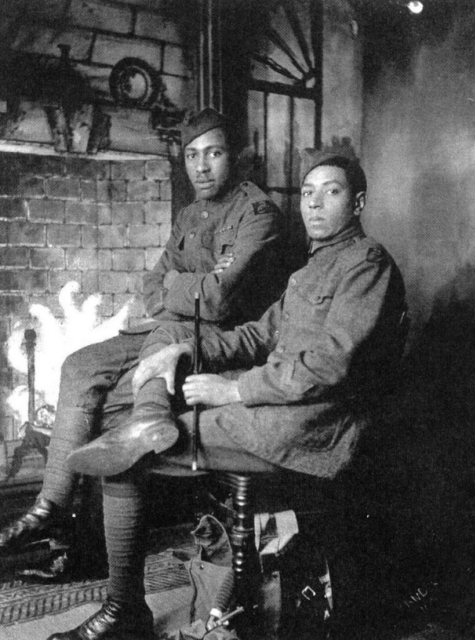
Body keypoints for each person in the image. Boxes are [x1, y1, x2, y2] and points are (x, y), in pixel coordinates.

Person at [45, 142, 407, 640]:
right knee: (166, 352)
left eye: (331, 192)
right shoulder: (312, 268)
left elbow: (328, 366)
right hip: (279, 412)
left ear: (358, 204)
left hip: (311, 430)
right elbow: (259, 334)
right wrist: (191, 351)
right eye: (307, 193)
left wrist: (231, 391)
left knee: (124, 458)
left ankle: (125, 612)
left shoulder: (367, 263)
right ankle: (145, 423)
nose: (315, 204)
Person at [0, 107, 285, 557]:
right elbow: (151, 287)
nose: (202, 167)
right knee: (80, 364)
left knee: (123, 385)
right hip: (171, 327)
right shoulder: (191, 215)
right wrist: (182, 286)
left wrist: (178, 286)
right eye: (192, 156)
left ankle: (123, 461)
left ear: (236, 157)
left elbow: (216, 302)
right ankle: (50, 503)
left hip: (221, 342)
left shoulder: (258, 213)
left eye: (213, 154)